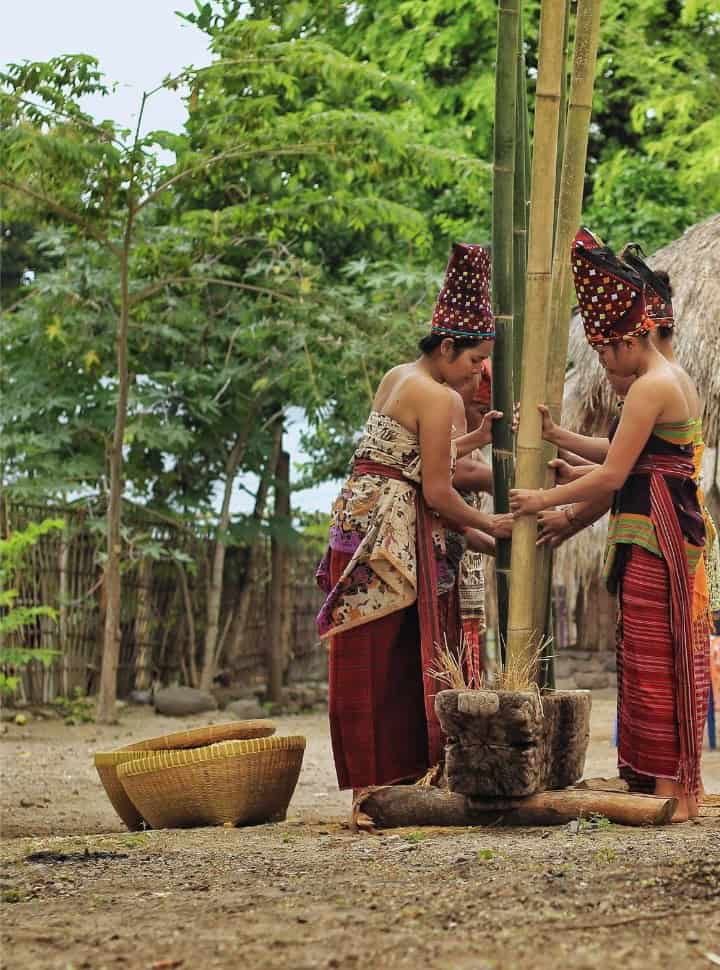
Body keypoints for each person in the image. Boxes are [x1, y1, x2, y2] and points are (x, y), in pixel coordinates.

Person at [509, 228, 706, 821]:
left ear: (631, 337)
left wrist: (539, 501)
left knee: (660, 657)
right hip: (658, 531)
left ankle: (675, 788)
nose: (602, 362)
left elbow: (611, 475)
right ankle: (668, 785)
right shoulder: (663, 380)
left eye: (603, 350)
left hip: (660, 535)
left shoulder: (653, 385)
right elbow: (624, 456)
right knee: (652, 655)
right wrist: (559, 438)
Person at [316, 244, 513, 793]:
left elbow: (407, 456)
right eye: (475, 361)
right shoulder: (441, 397)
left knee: (367, 657)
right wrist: (491, 525)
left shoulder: (398, 375)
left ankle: (369, 786)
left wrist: (478, 438)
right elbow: (437, 491)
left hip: (357, 526)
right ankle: (399, 780)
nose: (477, 374)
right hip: (391, 539)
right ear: (448, 346)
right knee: (394, 661)